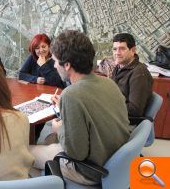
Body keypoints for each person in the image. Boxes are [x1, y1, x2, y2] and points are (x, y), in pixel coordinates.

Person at [29, 30, 130, 185]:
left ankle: (50, 183)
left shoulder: (71, 95)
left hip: (91, 170)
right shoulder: (109, 83)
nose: (54, 65)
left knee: (24, 154)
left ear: (67, 65)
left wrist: (59, 129)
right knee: (48, 141)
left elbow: (76, 153)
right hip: (115, 162)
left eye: (55, 61)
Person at [111, 33, 153, 124]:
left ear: (133, 50)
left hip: (125, 121)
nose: (117, 53)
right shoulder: (119, 66)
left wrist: (108, 105)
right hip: (115, 115)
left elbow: (135, 111)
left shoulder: (139, 74)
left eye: (122, 49)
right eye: (115, 49)